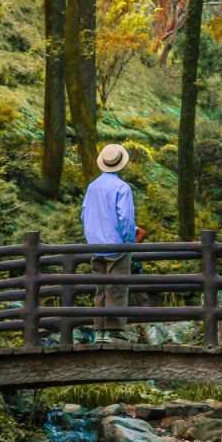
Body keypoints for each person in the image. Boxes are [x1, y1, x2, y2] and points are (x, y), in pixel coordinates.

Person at [81, 144, 146, 339]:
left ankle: (99, 331)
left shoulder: (92, 186)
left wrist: (92, 237)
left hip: (96, 245)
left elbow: (85, 215)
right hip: (117, 245)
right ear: (120, 164)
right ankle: (114, 331)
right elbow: (125, 218)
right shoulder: (122, 188)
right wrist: (128, 241)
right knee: (117, 289)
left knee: (100, 289)